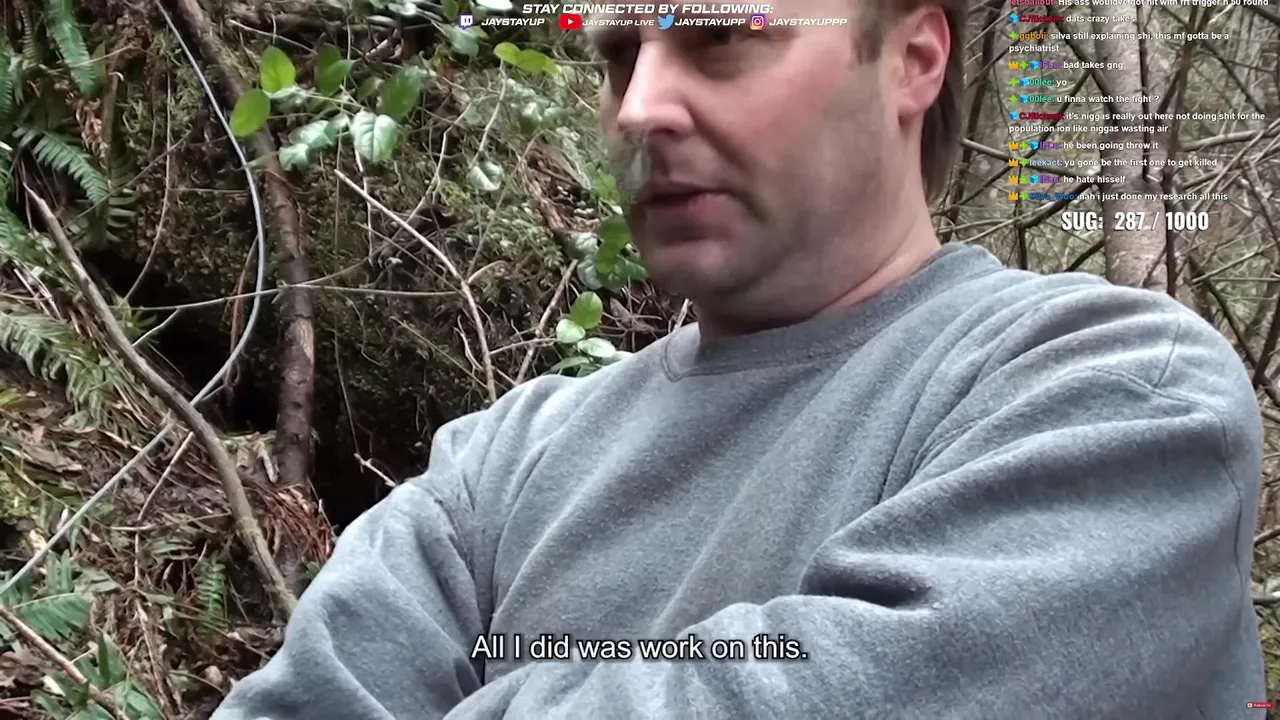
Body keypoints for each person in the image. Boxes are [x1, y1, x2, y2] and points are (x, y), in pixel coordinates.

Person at [213, 0, 1267, 717]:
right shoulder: (501, 466)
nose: (638, 108)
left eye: (720, 36)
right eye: (618, 57)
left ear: (911, 59)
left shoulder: (1115, 391)